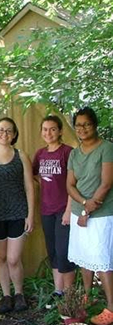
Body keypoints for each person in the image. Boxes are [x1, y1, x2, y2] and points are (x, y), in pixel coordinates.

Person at [0, 117, 34, 313]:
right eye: (1, 130)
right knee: (0, 257)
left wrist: (30, 215)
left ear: (14, 134)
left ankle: (19, 293)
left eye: (9, 131)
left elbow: (29, 187)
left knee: (13, 258)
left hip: (18, 213)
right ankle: (6, 295)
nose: (4, 134)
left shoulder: (21, 156)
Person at [66, 107, 113, 325]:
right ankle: (87, 296)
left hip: (102, 213)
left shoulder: (106, 148)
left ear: (94, 125)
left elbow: (106, 183)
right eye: (78, 125)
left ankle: (111, 308)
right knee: (84, 256)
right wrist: (83, 205)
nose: (82, 129)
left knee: (102, 260)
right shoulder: (74, 153)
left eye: (86, 124)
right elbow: (70, 184)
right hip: (79, 212)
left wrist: (89, 209)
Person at [32, 115, 76, 304]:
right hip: (46, 209)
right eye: (45, 129)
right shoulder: (41, 154)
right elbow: (35, 174)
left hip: (64, 210)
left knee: (64, 251)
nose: (48, 133)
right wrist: (45, 183)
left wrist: (68, 210)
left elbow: (75, 183)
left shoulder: (68, 152)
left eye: (52, 129)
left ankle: (69, 295)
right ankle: (58, 291)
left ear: (60, 131)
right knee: (53, 252)